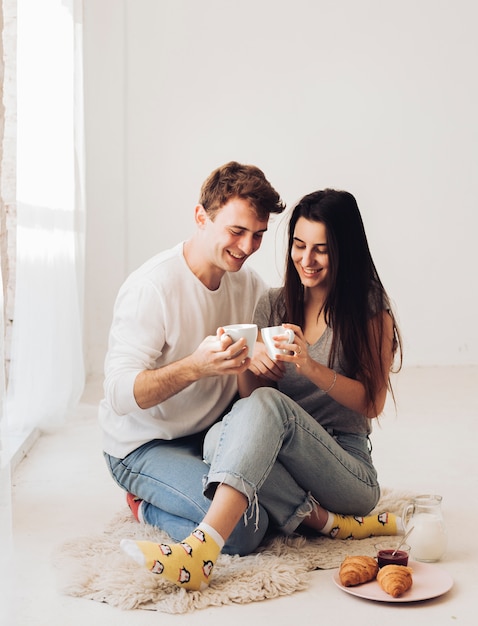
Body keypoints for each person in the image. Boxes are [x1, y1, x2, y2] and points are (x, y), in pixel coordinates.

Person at [121, 188, 404, 590]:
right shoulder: (272, 305)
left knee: (253, 418)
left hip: (344, 465)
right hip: (283, 464)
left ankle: (203, 547)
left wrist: (310, 366)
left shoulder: (370, 311)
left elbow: (371, 404)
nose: (306, 260)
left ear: (345, 251)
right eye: (299, 245)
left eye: (321, 249)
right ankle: (324, 522)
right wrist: (247, 364)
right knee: (217, 439)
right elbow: (251, 399)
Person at [99, 161, 286, 556]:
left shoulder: (248, 283)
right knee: (246, 529)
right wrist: (195, 367)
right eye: (237, 231)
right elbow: (118, 394)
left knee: (288, 504)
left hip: (208, 436)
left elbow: (256, 370)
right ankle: (144, 505)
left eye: (258, 235)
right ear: (201, 217)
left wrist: (262, 356)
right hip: (142, 446)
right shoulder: (152, 288)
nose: (248, 247)